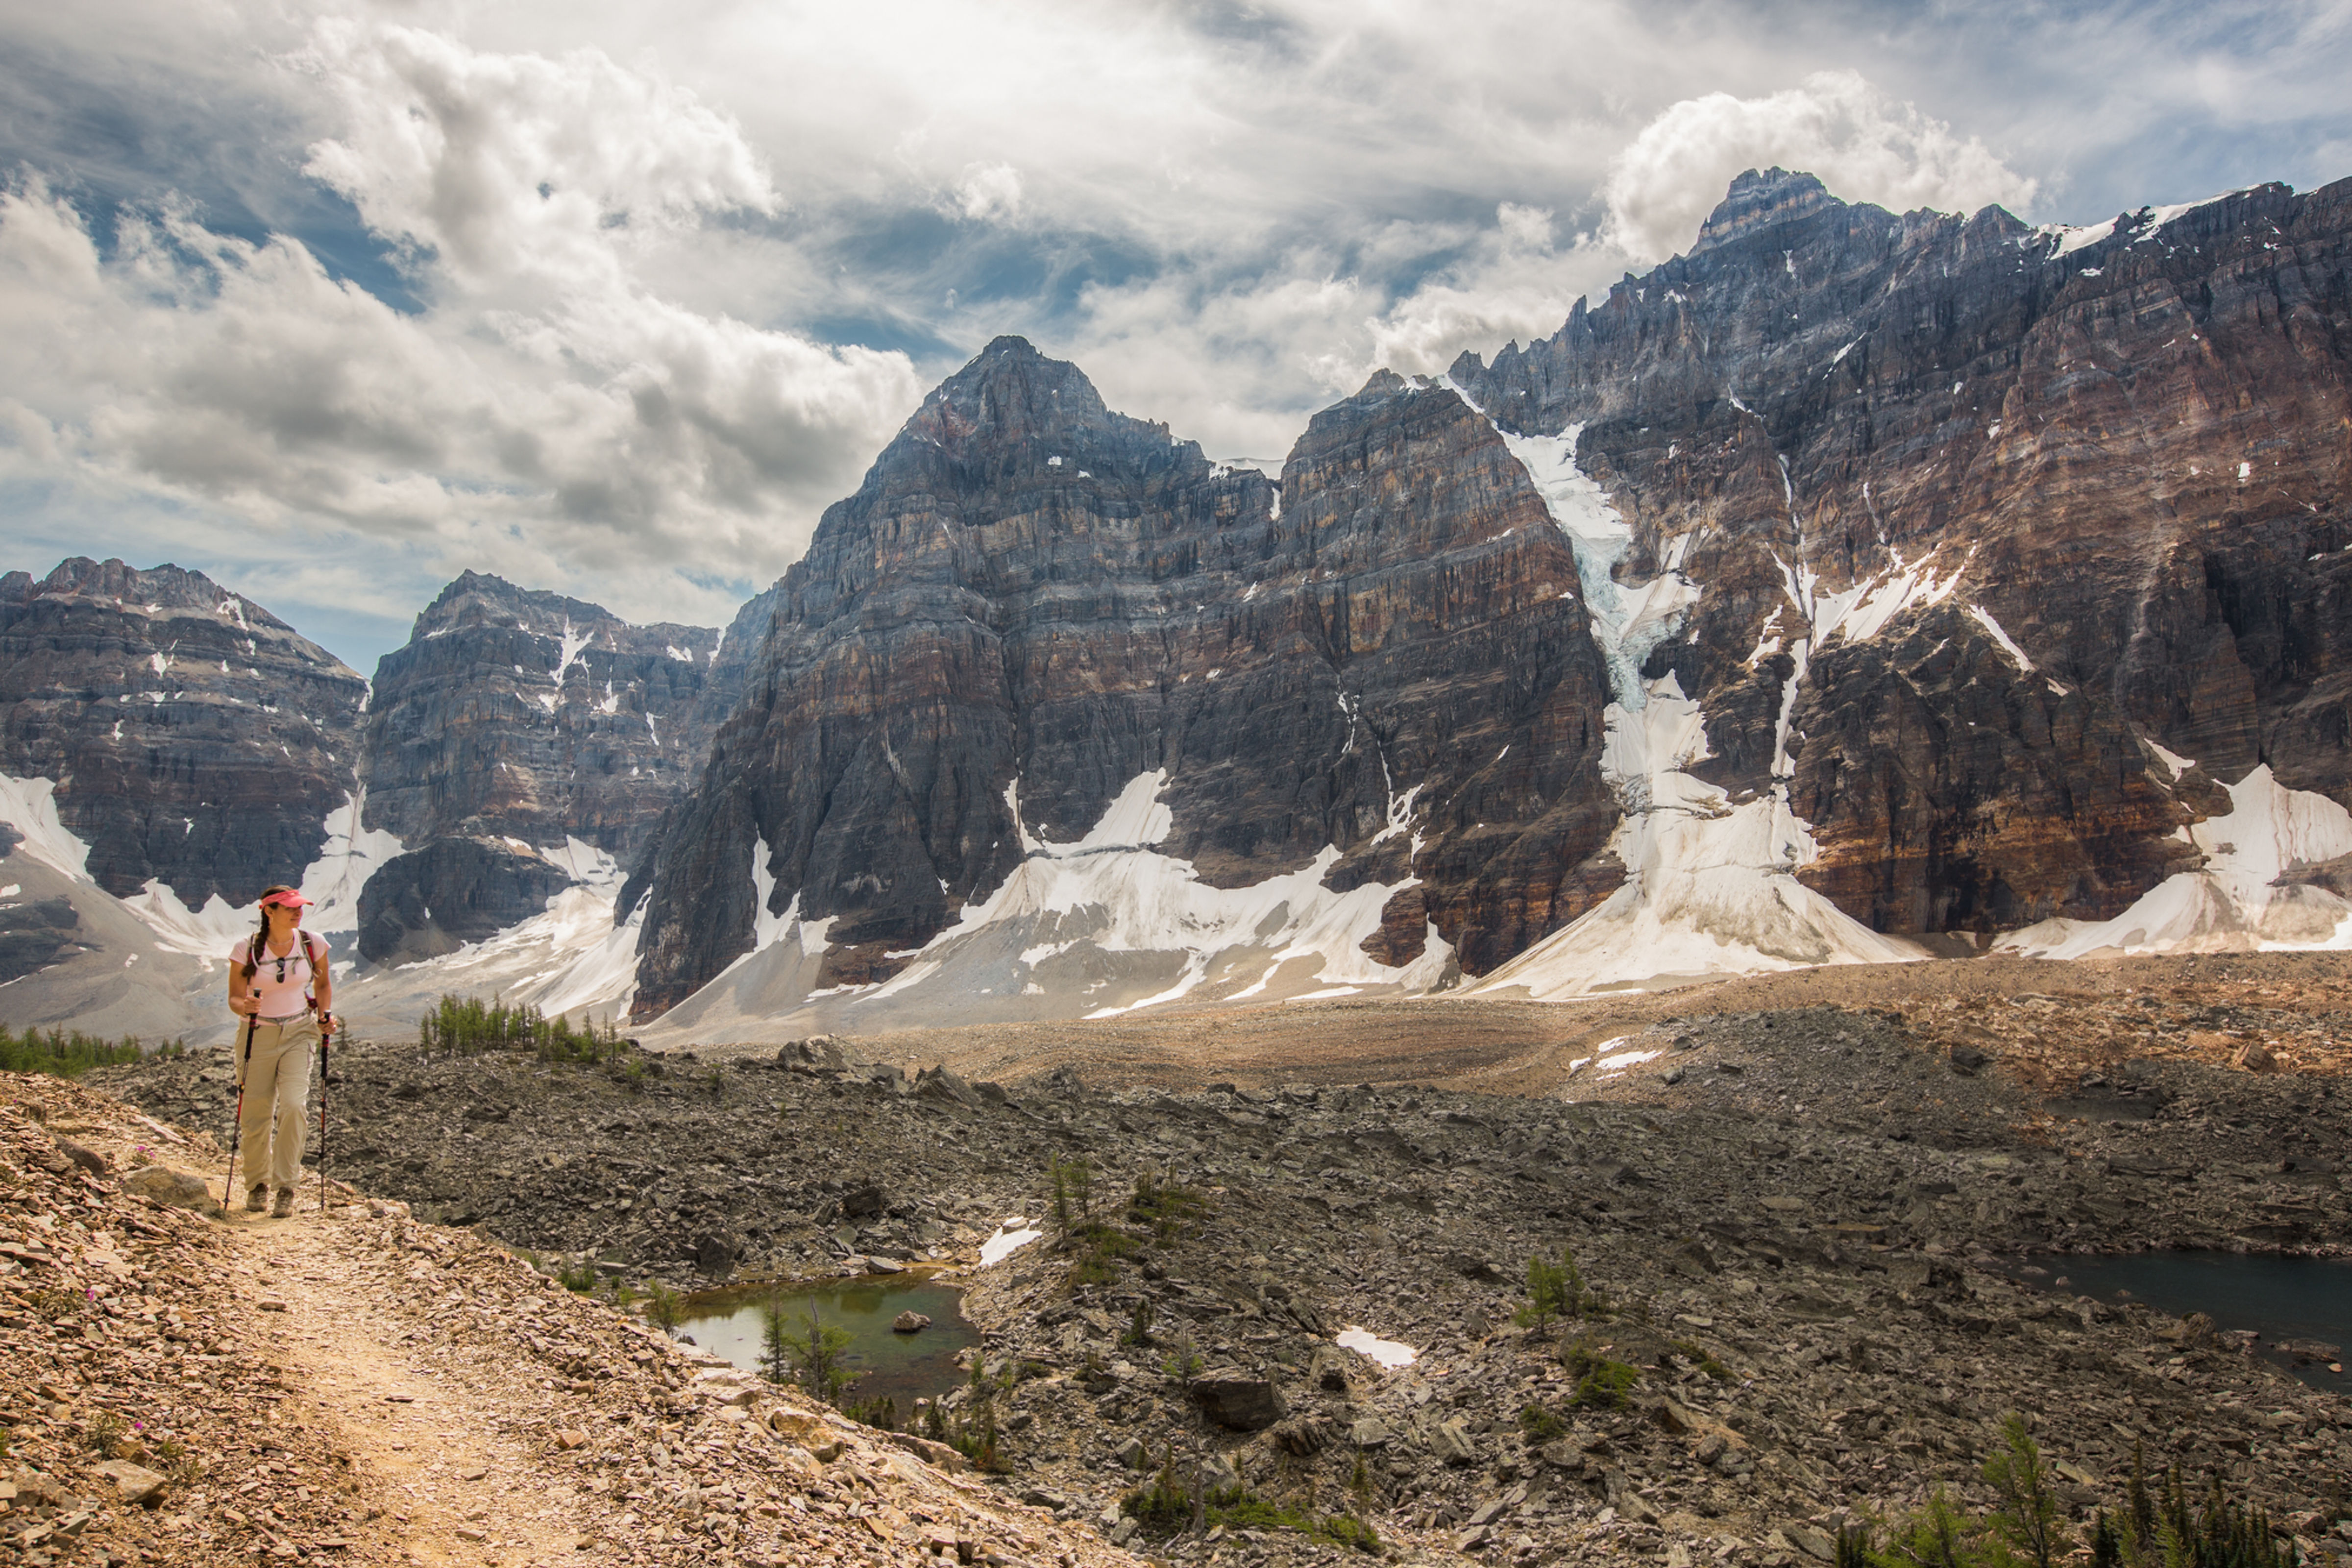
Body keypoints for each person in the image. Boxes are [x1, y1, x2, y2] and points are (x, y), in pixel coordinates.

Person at [224, 885, 331, 1218]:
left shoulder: (313, 943)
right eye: (289, 909)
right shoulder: (246, 949)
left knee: (295, 1106)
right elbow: (234, 998)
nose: (298, 913)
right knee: (256, 1114)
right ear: (268, 911)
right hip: (258, 1034)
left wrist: (325, 1016)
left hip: (300, 1031)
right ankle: (258, 1184)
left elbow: (323, 985)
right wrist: (247, 1005)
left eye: (299, 907)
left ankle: (287, 1186)